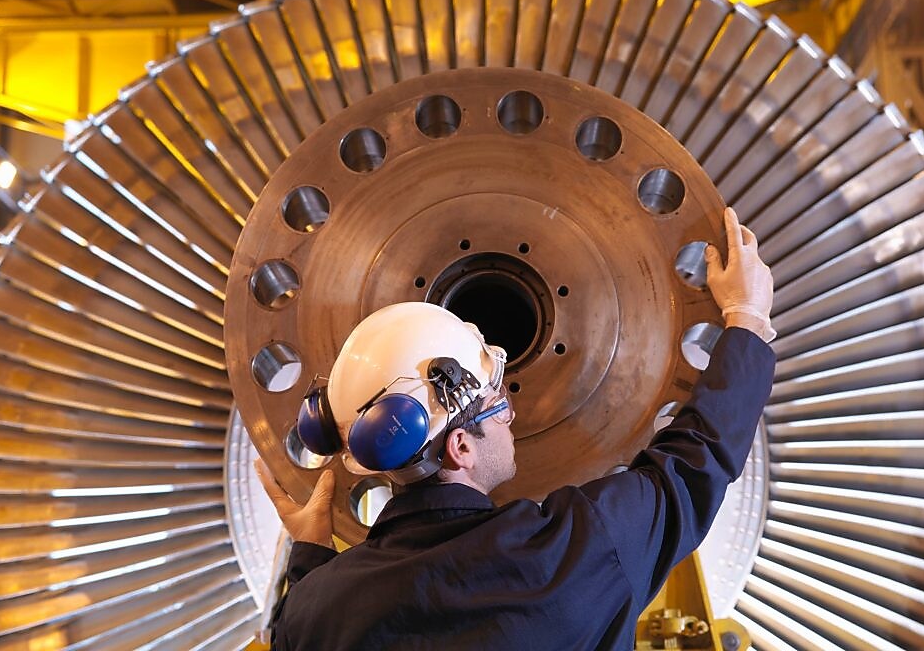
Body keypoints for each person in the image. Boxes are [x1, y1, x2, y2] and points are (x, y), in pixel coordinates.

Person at [254, 207, 775, 650]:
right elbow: (692, 466)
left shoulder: (312, 615)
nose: (512, 415)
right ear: (460, 447)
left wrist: (311, 559)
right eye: (498, 404)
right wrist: (746, 316)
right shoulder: (574, 555)